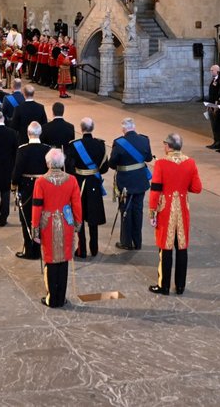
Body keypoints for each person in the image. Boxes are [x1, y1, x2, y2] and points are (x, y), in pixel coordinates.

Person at [148, 133, 203, 295]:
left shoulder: (161, 163)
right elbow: (197, 188)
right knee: (181, 248)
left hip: (166, 210)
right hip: (183, 210)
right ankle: (180, 286)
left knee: (165, 247)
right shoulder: (190, 162)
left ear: (168, 146)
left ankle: (163, 285)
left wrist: (152, 212)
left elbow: (155, 190)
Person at [31, 148, 82, 308]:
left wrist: (35, 228)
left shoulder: (41, 181)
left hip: (48, 224)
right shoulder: (72, 180)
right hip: (66, 222)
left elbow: (37, 207)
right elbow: (77, 204)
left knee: (50, 260)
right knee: (64, 259)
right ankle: (61, 297)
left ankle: (51, 298)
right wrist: (77, 224)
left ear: (47, 163)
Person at [65, 117, 108, 258]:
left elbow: (69, 168)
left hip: (79, 184)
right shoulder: (100, 145)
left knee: (80, 216)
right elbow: (104, 168)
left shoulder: (73, 145)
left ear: (81, 128)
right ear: (92, 128)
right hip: (94, 183)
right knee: (93, 218)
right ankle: (94, 249)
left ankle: (81, 249)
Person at [109, 117, 153, 250]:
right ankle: (137, 241)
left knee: (126, 211)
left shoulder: (119, 142)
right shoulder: (145, 140)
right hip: (140, 181)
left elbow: (112, 164)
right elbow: (149, 158)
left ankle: (126, 242)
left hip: (125, 183)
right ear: (134, 127)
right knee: (138, 211)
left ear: (123, 129)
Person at [11, 122, 49, 260]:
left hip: (27, 188)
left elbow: (17, 170)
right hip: (43, 188)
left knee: (27, 219)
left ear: (28, 134)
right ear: (40, 133)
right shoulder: (47, 149)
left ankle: (29, 250)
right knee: (42, 218)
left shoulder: (22, 149)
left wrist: (14, 184)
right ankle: (40, 248)